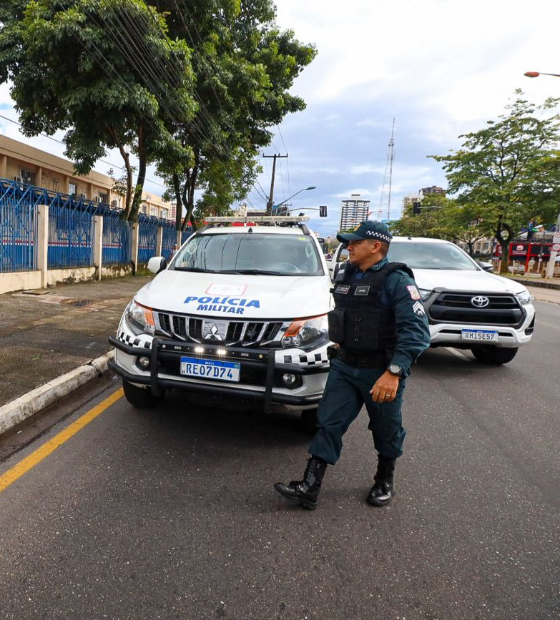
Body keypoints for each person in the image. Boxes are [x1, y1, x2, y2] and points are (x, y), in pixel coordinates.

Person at [274, 220, 431, 509]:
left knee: (386, 428)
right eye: (348, 242)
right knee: (328, 423)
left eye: (355, 243)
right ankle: (310, 486)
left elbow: (417, 333)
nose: (349, 247)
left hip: (380, 371)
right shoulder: (347, 274)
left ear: (376, 246)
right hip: (345, 366)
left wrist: (394, 372)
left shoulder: (397, 280)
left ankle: (384, 480)